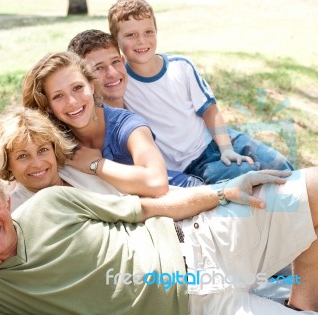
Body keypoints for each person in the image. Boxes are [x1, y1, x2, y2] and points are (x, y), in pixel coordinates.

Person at [67, 28, 296, 304]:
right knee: (268, 222)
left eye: (116, 62)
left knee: (279, 188)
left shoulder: (138, 94)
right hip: (180, 202)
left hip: (200, 169)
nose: (113, 73)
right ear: (86, 80)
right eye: (99, 69)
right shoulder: (88, 124)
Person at [0, 167, 318, 314]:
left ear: (6, 201)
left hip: (201, 240)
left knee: (312, 187)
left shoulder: (50, 203)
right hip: (199, 306)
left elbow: (146, 208)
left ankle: (302, 302)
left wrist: (220, 193)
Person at [107, 0, 294, 184]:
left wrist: (226, 149)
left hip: (220, 138)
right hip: (192, 164)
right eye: (131, 35)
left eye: (148, 32)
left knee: (280, 165)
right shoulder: (121, 83)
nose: (142, 40)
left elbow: (210, 111)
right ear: (116, 41)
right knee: (249, 176)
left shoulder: (181, 67)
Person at [22, 51, 202, 197]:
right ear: (49, 107)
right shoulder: (54, 137)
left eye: (78, 88)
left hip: (184, 192)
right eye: (58, 96)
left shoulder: (128, 125)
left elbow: (157, 183)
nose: (72, 101)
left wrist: (96, 164)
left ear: (92, 86)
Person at [0, 107, 123, 211]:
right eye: (22, 156)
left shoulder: (80, 168)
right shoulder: (16, 211)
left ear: (54, 149)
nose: (37, 163)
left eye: (43, 150)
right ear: (7, 163)